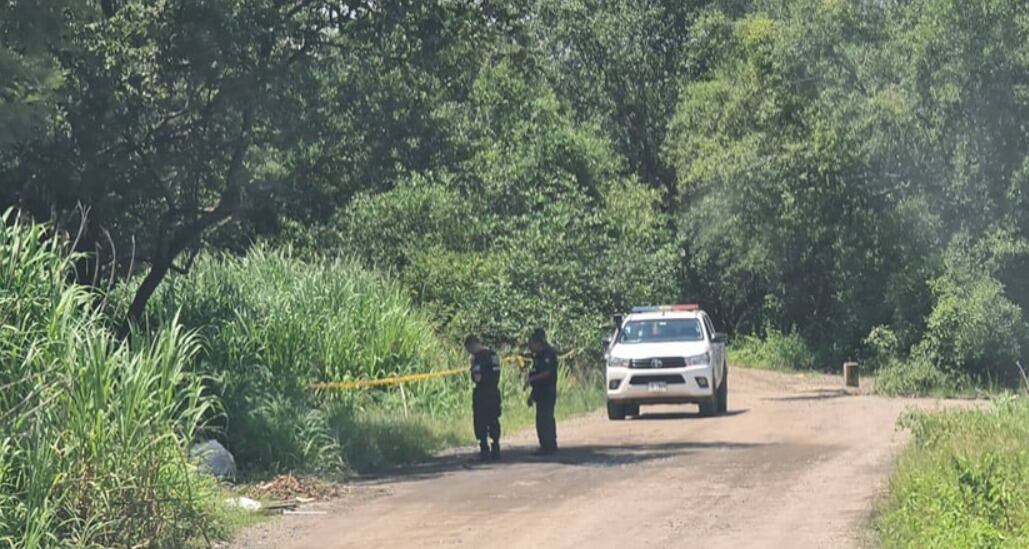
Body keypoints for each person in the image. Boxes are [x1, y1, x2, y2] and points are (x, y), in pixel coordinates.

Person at [465, 335, 502, 461]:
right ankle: (496, 447)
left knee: (481, 422)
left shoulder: (479, 358)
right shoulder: (493, 355)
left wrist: (472, 366)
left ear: (472, 345)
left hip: (482, 394)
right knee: (494, 420)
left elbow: (477, 378)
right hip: (494, 391)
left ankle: (484, 450)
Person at [526, 327, 558, 455]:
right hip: (540, 391)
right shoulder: (538, 356)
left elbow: (547, 373)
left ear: (538, 342)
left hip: (547, 391)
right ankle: (545, 444)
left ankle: (549, 445)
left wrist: (531, 380)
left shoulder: (548, 354)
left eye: (532, 344)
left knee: (546, 419)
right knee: (541, 419)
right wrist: (532, 395)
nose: (530, 347)